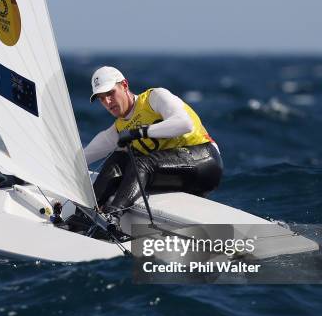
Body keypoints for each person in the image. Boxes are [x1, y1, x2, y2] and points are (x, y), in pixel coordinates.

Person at [83, 66, 223, 230]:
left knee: (142, 163)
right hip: (176, 173)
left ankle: (113, 216)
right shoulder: (118, 128)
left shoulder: (154, 97)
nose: (107, 102)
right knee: (119, 159)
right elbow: (82, 158)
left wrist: (140, 132)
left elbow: (184, 124)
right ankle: (87, 215)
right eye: (101, 98)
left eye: (110, 93)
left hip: (206, 163)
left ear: (125, 85)